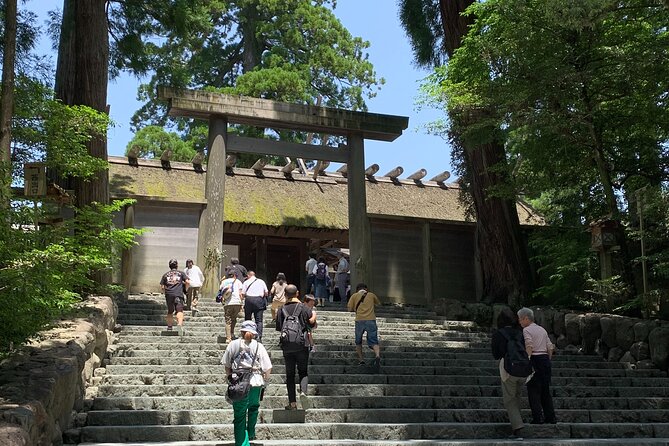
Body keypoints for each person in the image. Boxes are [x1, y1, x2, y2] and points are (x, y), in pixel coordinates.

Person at [221, 320, 272, 446]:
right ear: (254, 333)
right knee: (253, 408)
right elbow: (268, 367)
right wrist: (265, 381)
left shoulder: (233, 344)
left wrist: (229, 377)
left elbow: (227, 364)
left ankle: (242, 443)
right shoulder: (259, 346)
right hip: (255, 382)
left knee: (239, 415)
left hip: (238, 383)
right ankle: (250, 432)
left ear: (242, 331)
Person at [276, 284, 313, 410]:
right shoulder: (304, 307)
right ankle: (303, 392)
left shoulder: (281, 309)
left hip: (287, 346)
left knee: (290, 375)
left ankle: (292, 404)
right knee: (303, 372)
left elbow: (279, 328)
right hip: (302, 344)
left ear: (285, 295)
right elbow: (311, 324)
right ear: (297, 293)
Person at [491, 308, 527, 439]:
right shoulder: (520, 332)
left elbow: (496, 354)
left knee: (509, 400)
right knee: (517, 397)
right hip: (523, 368)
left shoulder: (499, 334)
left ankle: (518, 429)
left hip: (508, 368)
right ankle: (517, 425)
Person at [518, 307, 557, 425]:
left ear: (526, 318)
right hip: (545, 360)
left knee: (533, 390)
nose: (519, 322)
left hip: (535, 359)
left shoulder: (526, 330)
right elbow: (550, 347)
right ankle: (550, 417)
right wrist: (547, 360)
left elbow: (529, 345)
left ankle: (537, 417)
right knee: (545, 390)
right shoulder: (542, 329)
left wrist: (527, 360)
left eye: (520, 319)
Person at [347, 283, 381, 373]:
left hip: (359, 320)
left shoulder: (354, 296)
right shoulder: (371, 295)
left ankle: (361, 360)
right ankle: (377, 355)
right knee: (373, 340)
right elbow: (378, 304)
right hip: (371, 320)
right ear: (366, 289)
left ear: (357, 289)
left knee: (358, 341)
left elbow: (349, 308)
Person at [159, 258, 190, 334]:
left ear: (169, 266)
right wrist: (185, 290)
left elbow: (162, 287)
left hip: (169, 294)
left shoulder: (165, 275)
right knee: (179, 310)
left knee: (170, 311)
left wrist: (166, 293)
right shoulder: (181, 273)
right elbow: (188, 282)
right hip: (178, 294)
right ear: (177, 265)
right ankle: (179, 324)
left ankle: (169, 327)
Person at [242, 271, 269, 342]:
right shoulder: (261, 281)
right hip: (259, 300)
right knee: (259, 320)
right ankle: (258, 336)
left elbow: (243, 293)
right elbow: (266, 292)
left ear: (248, 275)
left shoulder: (246, 282)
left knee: (248, 318)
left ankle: (247, 334)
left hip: (249, 300)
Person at [220, 271, 244, 343]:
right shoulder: (238, 282)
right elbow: (240, 293)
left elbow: (221, 292)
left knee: (228, 321)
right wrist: (242, 303)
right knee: (234, 319)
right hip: (237, 302)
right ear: (234, 275)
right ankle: (232, 333)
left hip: (228, 303)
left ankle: (228, 338)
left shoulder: (224, 282)